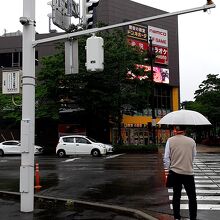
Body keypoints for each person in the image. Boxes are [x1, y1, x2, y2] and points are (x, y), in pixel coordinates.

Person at [163, 125, 197, 220]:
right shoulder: (191, 141)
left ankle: (177, 217)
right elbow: (194, 155)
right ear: (185, 130)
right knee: (192, 197)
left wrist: (169, 167)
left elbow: (166, 157)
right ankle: (193, 218)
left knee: (176, 196)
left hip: (175, 172)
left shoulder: (170, 140)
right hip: (188, 173)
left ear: (176, 130)